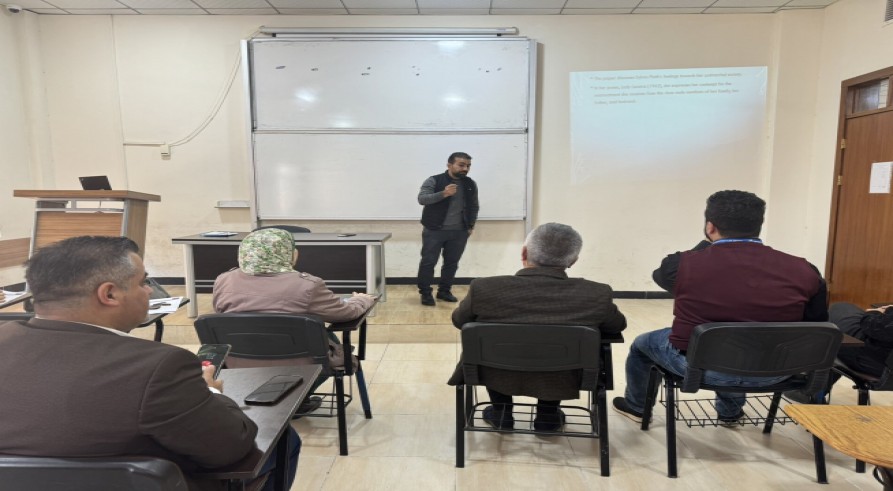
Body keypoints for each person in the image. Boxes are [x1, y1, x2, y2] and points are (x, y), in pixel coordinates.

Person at [0, 236, 299, 491]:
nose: (149, 291)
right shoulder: (159, 367)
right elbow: (230, 448)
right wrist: (211, 392)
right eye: (143, 282)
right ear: (109, 294)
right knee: (284, 440)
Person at [612, 190, 829, 425]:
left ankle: (637, 407)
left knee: (642, 344)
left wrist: (708, 242)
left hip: (700, 368)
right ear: (759, 225)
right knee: (743, 344)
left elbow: (661, 277)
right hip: (777, 371)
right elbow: (817, 326)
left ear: (710, 227)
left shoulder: (681, 266)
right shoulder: (806, 270)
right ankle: (730, 414)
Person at [448, 223, 627, 431]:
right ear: (573, 261)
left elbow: (459, 320)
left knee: (494, 351)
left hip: (494, 371)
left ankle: (501, 414)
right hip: (566, 374)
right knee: (556, 356)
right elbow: (617, 326)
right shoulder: (596, 294)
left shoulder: (484, 288)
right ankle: (547, 417)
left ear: (524, 253)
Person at [213, 228, 377, 413]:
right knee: (322, 334)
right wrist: (362, 299)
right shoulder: (307, 285)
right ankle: (298, 400)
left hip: (238, 363)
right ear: (292, 255)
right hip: (304, 366)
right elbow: (345, 313)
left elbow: (221, 314)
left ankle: (279, 400)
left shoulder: (223, 281)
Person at [416, 151, 479, 306]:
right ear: (449, 165)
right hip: (434, 230)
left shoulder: (470, 184)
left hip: (459, 232)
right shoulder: (434, 180)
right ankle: (425, 293)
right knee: (428, 262)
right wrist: (444, 193)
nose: (465, 169)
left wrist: (470, 226)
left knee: (452, 263)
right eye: (461, 165)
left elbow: (474, 206)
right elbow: (422, 199)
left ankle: (444, 291)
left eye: (468, 166)